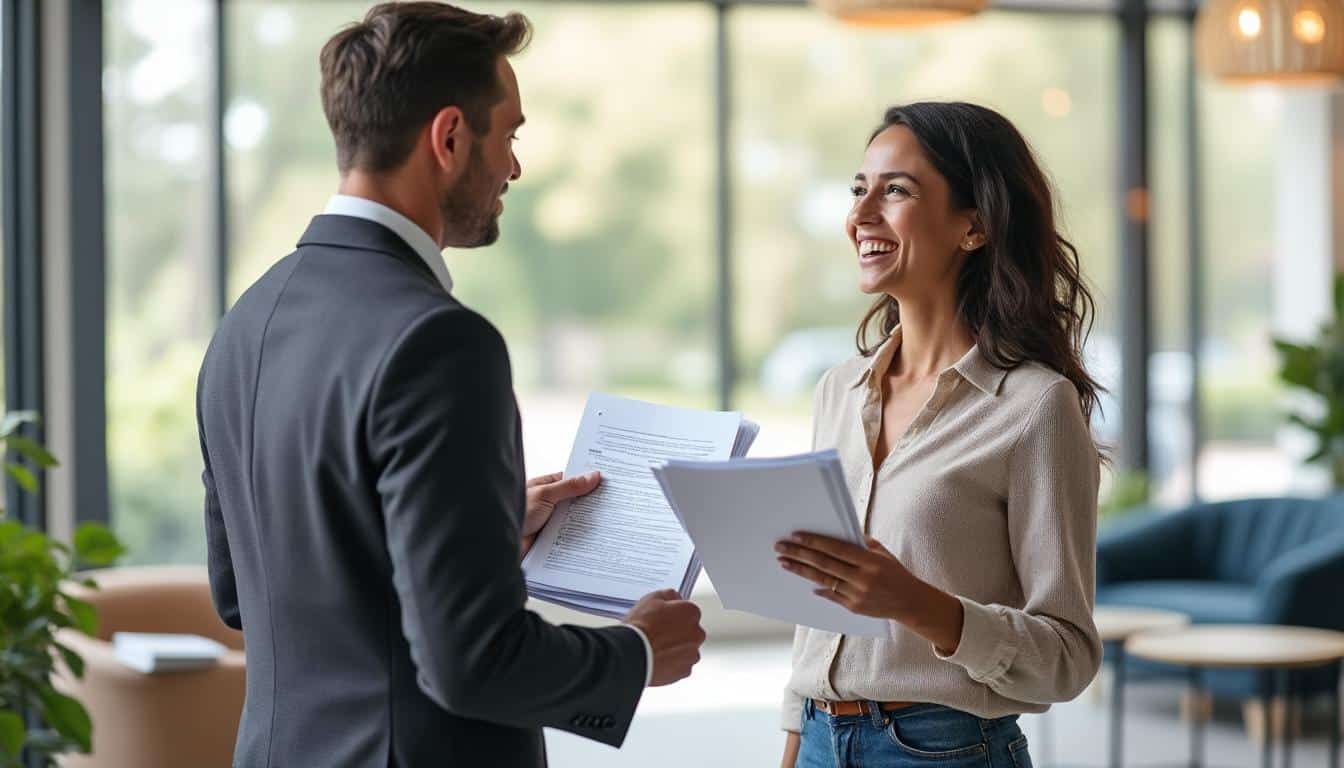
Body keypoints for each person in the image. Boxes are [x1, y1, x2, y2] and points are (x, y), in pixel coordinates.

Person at [195, 4, 705, 767]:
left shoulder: (246, 321)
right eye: (511, 134)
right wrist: (634, 652)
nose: (514, 167)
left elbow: (247, 592)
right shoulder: (441, 341)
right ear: (450, 137)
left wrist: (482, 533)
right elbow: (472, 664)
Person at [773, 102, 1105, 767]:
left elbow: (1068, 657)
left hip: (943, 749)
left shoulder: (1036, 407)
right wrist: (794, 743)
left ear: (973, 226)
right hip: (816, 736)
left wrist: (918, 605)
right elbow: (818, 623)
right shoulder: (839, 390)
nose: (861, 215)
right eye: (859, 189)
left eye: (895, 190)